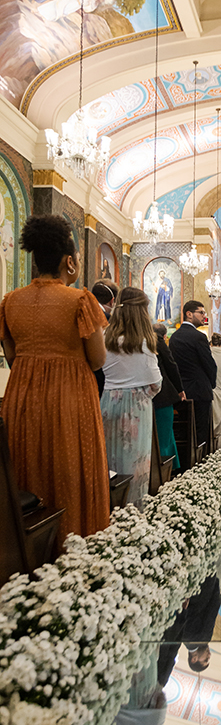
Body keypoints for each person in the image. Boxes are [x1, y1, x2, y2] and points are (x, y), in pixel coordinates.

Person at [0, 215, 109, 548]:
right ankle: (73, 543)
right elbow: (98, 359)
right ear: (70, 260)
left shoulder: (10, 301)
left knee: (26, 462)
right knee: (70, 467)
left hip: (21, 396)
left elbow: (12, 355)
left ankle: (25, 553)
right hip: (70, 396)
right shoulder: (79, 301)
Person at [101, 288, 162, 506]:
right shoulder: (143, 344)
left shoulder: (103, 338)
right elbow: (156, 383)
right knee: (135, 468)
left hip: (107, 402)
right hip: (136, 408)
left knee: (109, 463)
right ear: (141, 313)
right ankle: (133, 514)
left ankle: (107, 513)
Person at [169, 301, 217, 453]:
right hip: (200, 392)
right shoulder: (199, 337)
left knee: (184, 430)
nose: (204, 316)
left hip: (182, 391)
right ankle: (200, 463)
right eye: (201, 313)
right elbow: (209, 364)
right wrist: (211, 384)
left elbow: (173, 365)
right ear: (189, 314)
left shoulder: (174, 337)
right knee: (201, 432)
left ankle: (185, 465)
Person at [152, 322, 185, 473]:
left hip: (148, 395)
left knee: (164, 433)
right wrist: (180, 389)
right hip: (162, 395)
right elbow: (171, 365)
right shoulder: (158, 342)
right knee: (165, 434)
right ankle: (166, 470)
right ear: (165, 336)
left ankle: (167, 468)